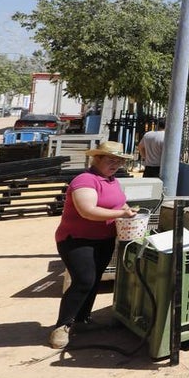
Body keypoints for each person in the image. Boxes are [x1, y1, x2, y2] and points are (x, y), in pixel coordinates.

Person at [50, 141, 138, 349]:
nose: (115, 164)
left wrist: (127, 209)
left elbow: (118, 203)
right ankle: (62, 326)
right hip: (77, 240)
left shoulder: (111, 181)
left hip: (103, 239)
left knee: (95, 279)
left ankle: (82, 319)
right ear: (96, 159)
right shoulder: (85, 180)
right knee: (84, 280)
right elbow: (87, 210)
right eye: (110, 160)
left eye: (119, 161)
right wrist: (121, 213)